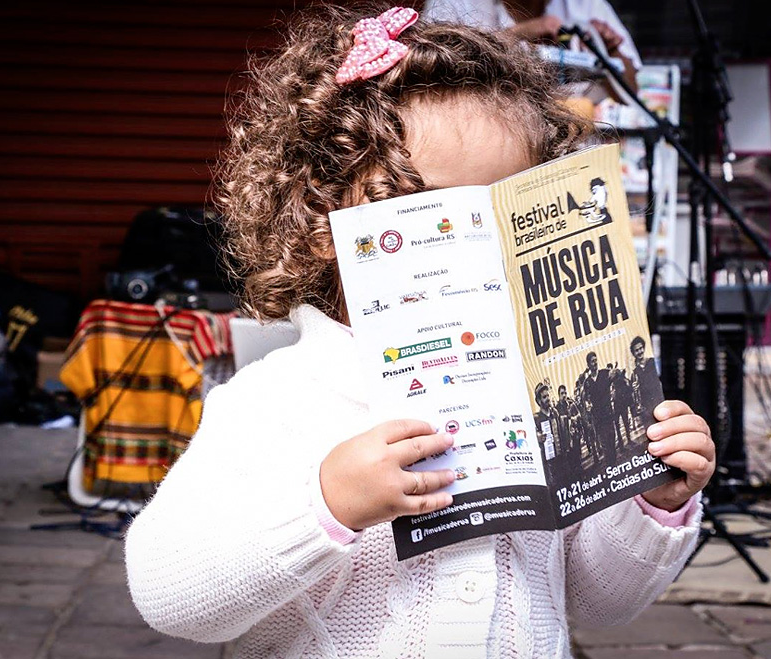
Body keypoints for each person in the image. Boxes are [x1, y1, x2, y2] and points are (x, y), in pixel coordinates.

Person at [124, 6, 715, 657]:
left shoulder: (551, 393)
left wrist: (650, 501)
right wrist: (327, 502)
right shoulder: (275, 400)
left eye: (502, 208)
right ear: (322, 220)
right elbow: (168, 595)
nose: (471, 243)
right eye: (426, 207)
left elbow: (595, 600)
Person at [423, 0, 641, 105]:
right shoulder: (457, 4)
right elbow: (436, 76)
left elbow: (630, 93)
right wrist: (521, 33)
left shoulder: (585, 5)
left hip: (576, 153)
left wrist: (610, 50)